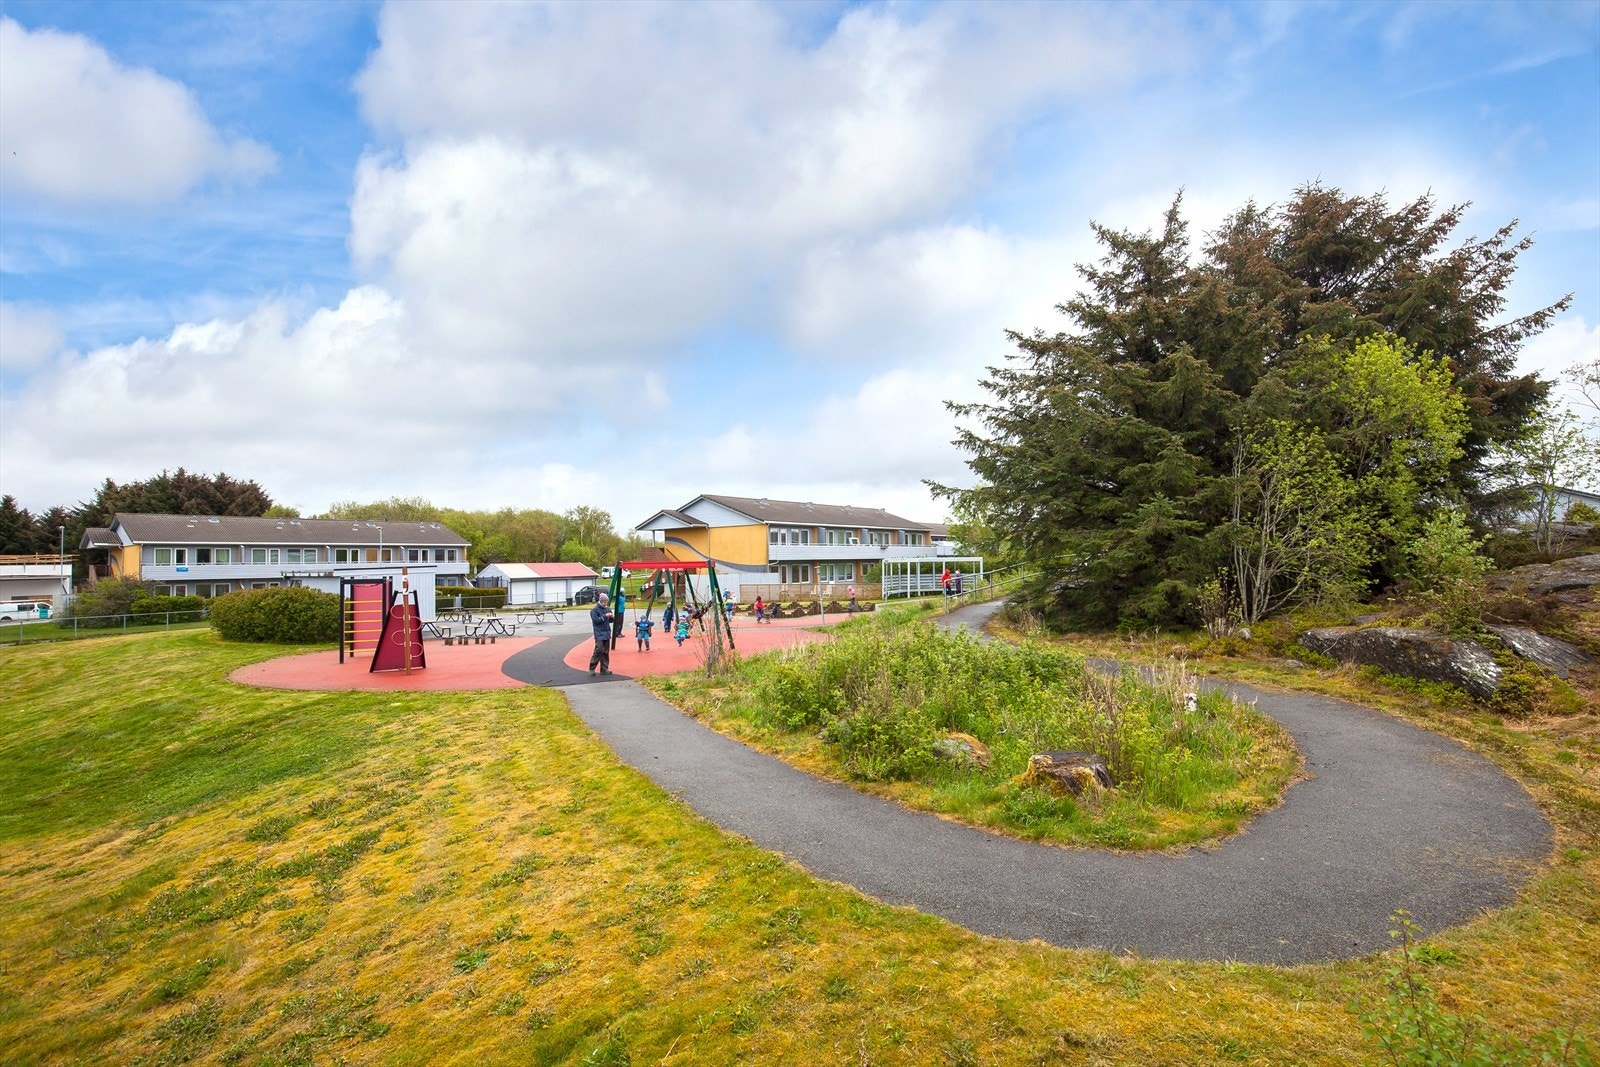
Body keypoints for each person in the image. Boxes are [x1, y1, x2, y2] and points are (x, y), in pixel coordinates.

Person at [588, 592, 614, 675]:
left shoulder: (608, 609)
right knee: (599, 650)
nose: (606, 604)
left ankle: (604, 668)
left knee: (606, 652)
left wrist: (612, 617)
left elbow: (610, 621)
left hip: (606, 632)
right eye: (605, 602)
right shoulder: (594, 610)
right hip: (599, 632)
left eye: (607, 602)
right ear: (601, 601)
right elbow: (596, 621)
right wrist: (605, 616)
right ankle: (592, 668)